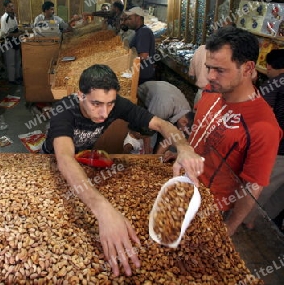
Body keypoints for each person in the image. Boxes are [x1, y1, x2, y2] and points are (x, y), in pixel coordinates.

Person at [41, 64, 204, 276]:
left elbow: (162, 125)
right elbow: (63, 158)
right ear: (80, 95)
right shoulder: (63, 110)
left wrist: (183, 146)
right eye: (96, 104)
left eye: (109, 104)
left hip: (81, 161)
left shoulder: (117, 104)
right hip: (51, 162)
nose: (104, 112)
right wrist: (102, 209)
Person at [164, 27, 282, 236]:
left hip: (211, 209)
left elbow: (252, 186)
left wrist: (228, 229)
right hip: (182, 188)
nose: (209, 76)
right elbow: (202, 131)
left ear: (247, 68)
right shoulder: (212, 92)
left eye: (220, 70)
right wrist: (183, 151)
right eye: (208, 67)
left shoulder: (263, 126)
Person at [243, 49, 284, 229]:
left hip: (279, 150)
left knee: (261, 189)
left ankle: (247, 223)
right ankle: (268, 230)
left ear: (269, 66)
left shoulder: (274, 84)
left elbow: (259, 117)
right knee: (279, 197)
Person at [123, 81, 194, 154]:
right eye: (184, 130)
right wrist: (148, 154)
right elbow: (148, 127)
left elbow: (170, 138)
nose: (182, 132)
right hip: (145, 95)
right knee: (148, 135)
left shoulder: (187, 111)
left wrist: (158, 157)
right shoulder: (163, 106)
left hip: (164, 95)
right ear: (184, 122)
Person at [122, 7, 156, 85]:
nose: (127, 22)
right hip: (140, 74)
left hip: (142, 76)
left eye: (130, 19)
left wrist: (126, 62)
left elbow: (144, 56)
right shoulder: (140, 31)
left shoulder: (144, 32)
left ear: (138, 18)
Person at [1, 0, 24, 85]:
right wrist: (16, 34)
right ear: (5, 8)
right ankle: (12, 80)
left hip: (16, 41)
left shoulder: (13, 16)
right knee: (11, 63)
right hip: (9, 43)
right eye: (9, 7)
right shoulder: (4, 18)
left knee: (18, 61)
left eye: (12, 6)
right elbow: (4, 33)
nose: (12, 8)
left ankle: (18, 76)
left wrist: (20, 32)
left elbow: (15, 28)